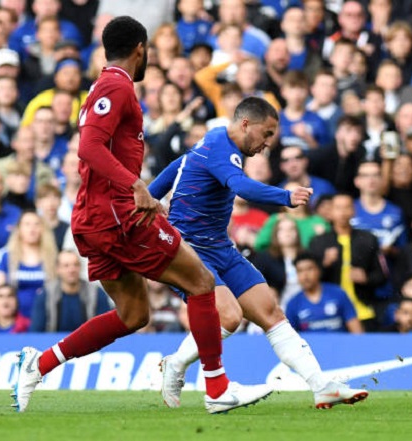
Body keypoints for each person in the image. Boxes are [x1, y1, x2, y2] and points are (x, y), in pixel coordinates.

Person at [10, 16, 272, 415]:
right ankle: (218, 389)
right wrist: (135, 186)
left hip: (94, 217)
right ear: (140, 49)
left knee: (133, 315)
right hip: (117, 216)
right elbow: (89, 147)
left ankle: (38, 364)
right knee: (202, 282)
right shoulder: (117, 86)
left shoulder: (102, 86)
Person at [149, 97, 368, 410]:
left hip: (220, 247)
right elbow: (241, 186)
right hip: (189, 250)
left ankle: (322, 386)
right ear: (245, 124)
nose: (267, 144)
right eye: (266, 134)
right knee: (229, 316)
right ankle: (192, 374)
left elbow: (181, 164)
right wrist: (286, 196)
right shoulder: (221, 145)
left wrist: (150, 195)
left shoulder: (216, 142)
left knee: (271, 312)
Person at [308, 193, 386, 331]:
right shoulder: (318, 242)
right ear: (330, 212)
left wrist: (366, 278)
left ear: (354, 211)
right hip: (330, 312)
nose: (343, 212)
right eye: (338, 208)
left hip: (364, 309)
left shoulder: (368, 239)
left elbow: (382, 275)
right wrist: (325, 264)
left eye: (347, 207)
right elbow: (309, 280)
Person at [30, 250, 111, 332]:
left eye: (76, 265)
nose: (72, 270)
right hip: (55, 339)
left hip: (89, 339)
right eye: (66, 266)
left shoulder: (96, 293)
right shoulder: (46, 294)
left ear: (81, 267)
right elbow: (36, 331)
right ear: (57, 269)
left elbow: (106, 328)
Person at [286, 252, 363, 333]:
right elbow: (289, 337)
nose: (305, 275)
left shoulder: (338, 294)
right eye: (300, 271)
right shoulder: (293, 304)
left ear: (318, 271)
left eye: (309, 269)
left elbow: (356, 330)